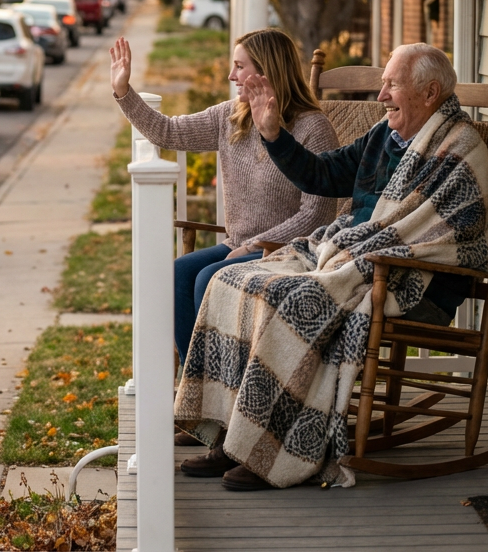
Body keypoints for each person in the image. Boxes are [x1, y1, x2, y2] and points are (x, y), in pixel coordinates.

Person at [174, 43, 488, 492]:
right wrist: (274, 136)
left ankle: (266, 450)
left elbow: (456, 238)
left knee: (291, 299)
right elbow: (323, 175)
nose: (382, 96)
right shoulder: (387, 135)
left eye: (392, 85)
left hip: (410, 283)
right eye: (383, 83)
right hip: (355, 258)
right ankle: (231, 436)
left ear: (429, 93)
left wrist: (368, 253)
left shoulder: (460, 149)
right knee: (231, 279)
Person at [110, 29, 340, 415]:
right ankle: (202, 400)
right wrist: (123, 91)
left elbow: (317, 213)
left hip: (288, 253)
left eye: (239, 66)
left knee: (208, 277)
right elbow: (168, 131)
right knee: (178, 274)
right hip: (240, 246)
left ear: (266, 73)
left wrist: (256, 244)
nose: (232, 76)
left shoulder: (312, 128)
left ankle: (231, 405)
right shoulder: (231, 116)